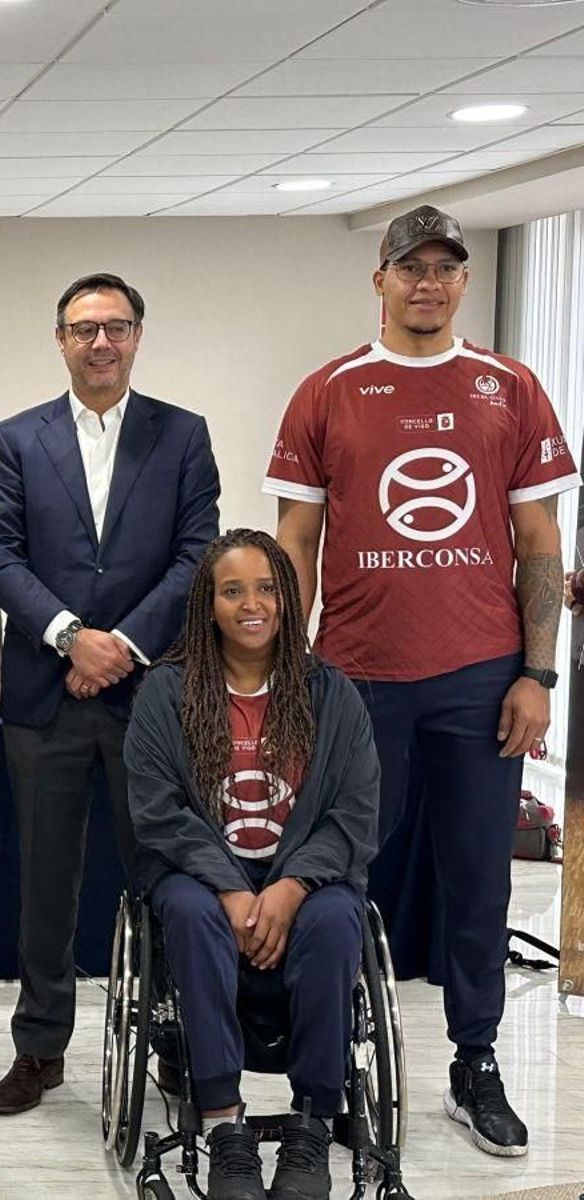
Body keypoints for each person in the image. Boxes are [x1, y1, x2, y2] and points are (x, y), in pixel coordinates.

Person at [265, 204, 578, 1159]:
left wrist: (537, 673)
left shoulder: (509, 387)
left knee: (480, 880)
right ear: (382, 280)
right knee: (335, 876)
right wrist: (288, 679)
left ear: (463, 282)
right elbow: (295, 543)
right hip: (357, 678)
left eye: (446, 269)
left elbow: (538, 543)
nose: (429, 284)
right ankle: (334, 1060)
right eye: (413, 269)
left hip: (481, 679)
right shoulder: (329, 391)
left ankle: (473, 1062)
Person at [0, 271, 221, 1115]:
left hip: (151, 697)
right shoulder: (17, 437)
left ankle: (171, 1040)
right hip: (45, 695)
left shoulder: (182, 435)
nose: (101, 343)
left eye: (116, 327)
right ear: (61, 341)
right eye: (85, 329)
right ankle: (39, 1047)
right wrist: (68, 636)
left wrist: (120, 644)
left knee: (162, 877)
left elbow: (199, 555)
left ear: (137, 336)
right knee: (45, 881)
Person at [125, 529, 380, 1200]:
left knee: (332, 922)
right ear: (207, 604)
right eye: (232, 591)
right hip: (201, 876)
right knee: (185, 908)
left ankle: (312, 1125)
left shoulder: (332, 694)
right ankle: (223, 1128)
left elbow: (354, 813)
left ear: (288, 599)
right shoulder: (165, 694)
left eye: (266, 588)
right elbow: (157, 811)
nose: (251, 604)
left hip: (307, 876)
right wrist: (232, 887)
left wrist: (292, 884)